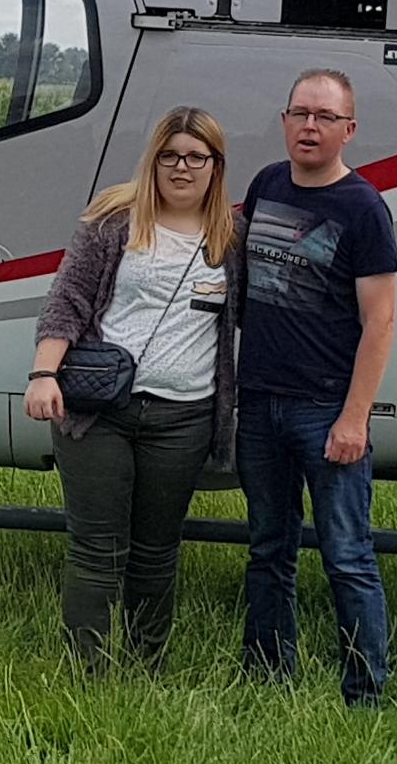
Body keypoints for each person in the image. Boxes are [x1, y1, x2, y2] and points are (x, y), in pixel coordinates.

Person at [26, 107, 242, 671]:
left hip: (185, 418)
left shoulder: (231, 238)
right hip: (101, 412)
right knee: (96, 549)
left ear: (216, 166)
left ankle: (148, 667)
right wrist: (44, 374)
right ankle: (86, 672)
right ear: (154, 159)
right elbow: (67, 301)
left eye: (196, 157)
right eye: (169, 155)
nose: (181, 167)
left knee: (155, 551)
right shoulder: (114, 220)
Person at [234, 66, 397, 704]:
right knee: (268, 549)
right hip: (259, 403)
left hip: (325, 409)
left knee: (347, 557)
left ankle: (365, 692)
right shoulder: (268, 184)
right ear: (283, 121)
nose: (309, 126)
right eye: (300, 113)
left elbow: (380, 322)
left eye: (324, 117)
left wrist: (354, 419)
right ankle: (268, 677)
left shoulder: (363, 209)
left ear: (348, 130)